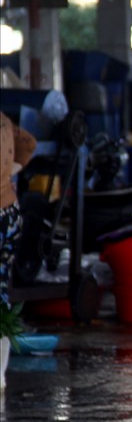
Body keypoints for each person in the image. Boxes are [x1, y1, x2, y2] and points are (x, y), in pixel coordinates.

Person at [1, 112, 37, 308]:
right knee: (2, 281)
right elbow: (30, 143)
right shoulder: (4, 121)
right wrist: (10, 172)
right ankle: (2, 332)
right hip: (10, 215)